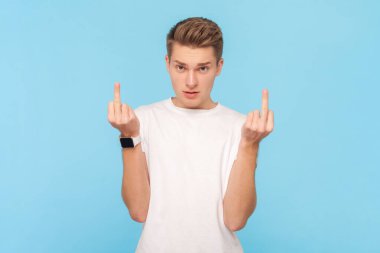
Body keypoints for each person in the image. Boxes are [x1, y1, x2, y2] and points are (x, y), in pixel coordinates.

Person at [107, 17, 274, 253]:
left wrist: (250, 145)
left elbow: (236, 219)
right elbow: (138, 211)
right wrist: (128, 136)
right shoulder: (141, 120)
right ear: (168, 63)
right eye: (181, 67)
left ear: (219, 67)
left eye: (203, 68)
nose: (191, 81)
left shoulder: (242, 128)